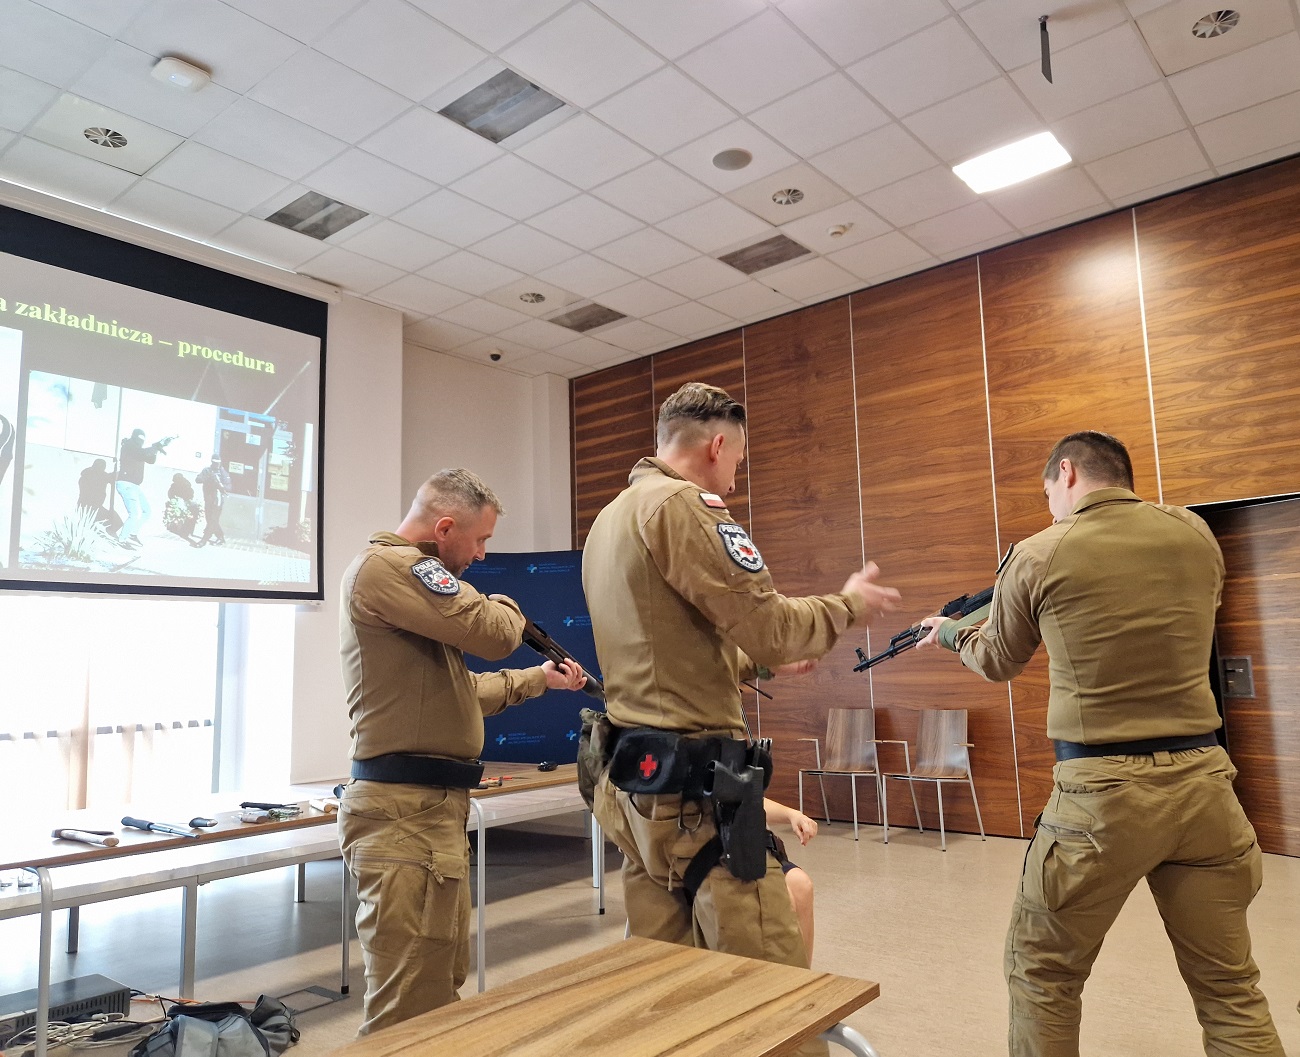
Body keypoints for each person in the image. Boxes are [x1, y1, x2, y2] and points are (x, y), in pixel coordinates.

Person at [916, 431, 1283, 1057]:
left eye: (1050, 493)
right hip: (1205, 786)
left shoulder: (1038, 552)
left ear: (1067, 473)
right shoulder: (1197, 534)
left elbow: (999, 660)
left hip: (1102, 799)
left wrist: (951, 633)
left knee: (1044, 975)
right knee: (1229, 988)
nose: (1052, 507)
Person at [581, 382, 899, 1057]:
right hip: (696, 802)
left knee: (666, 992)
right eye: (739, 461)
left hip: (634, 791)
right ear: (718, 445)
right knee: (769, 999)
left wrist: (755, 665)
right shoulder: (683, 506)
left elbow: (662, 649)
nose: (736, 474)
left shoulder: (610, 518)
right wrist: (844, 606)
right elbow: (777, 626)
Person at [338, 467, 588, 1036]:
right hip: (404, 816)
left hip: (428, 815)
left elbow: (461, 693)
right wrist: (508, 610)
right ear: (444, 527)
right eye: (480, 541)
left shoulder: (409, 597)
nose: (480, 556)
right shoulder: (391, 566)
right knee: (407, 1012)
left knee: (437, 991)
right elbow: (495, 633)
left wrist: (539, 680)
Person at [764, 798, 818, 958]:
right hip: (717, 853)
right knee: (785, 898)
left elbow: (751, 797)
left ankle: (803, 973)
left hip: (757, 849)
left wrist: (792, 814)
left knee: (802, 884)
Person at [115, 428, 172, 548]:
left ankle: (132, 535)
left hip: (135, 485)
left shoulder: (139, 449)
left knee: (147, 511)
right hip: (126, 484)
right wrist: (158, 445)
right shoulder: (129, 446)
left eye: (143, 440)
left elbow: (150, 459)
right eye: (139, 439)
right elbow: (142, 453)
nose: (141, 441)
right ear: (134, 437)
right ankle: (122, 539)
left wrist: (156, 447)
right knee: (134, 514)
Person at [77, 458, 123, 535]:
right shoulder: (99, 475)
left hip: (85, 507)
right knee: (116, 522)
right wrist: (120, 467)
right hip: (92, 508)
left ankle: (106, 534)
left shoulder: (86, 476)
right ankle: (108, 535)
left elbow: (110, 477)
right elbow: (113, 476)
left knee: (113, 521)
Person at [193, 456, 231, 548]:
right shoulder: (207, 470)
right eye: (214, 462)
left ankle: (204, 540)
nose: (216, 464)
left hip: (217, 500)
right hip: (208, 499)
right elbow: (198, 480)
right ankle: (221, 537)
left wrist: (220, 486)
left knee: (212, 520)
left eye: (217, 462)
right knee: (210, 519)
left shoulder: (222, 472)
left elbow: (229, 487)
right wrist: (207, 478)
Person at [164, 473, 199, 540]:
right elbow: (170, 494)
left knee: (192, 511)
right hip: (177, 502)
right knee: (172, 508)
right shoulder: (173, 486)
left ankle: (187, 530)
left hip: (186, 502)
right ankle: (176, 528)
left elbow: (190, 495)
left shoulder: (186, 485)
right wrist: (175, 500)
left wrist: (184, 501)